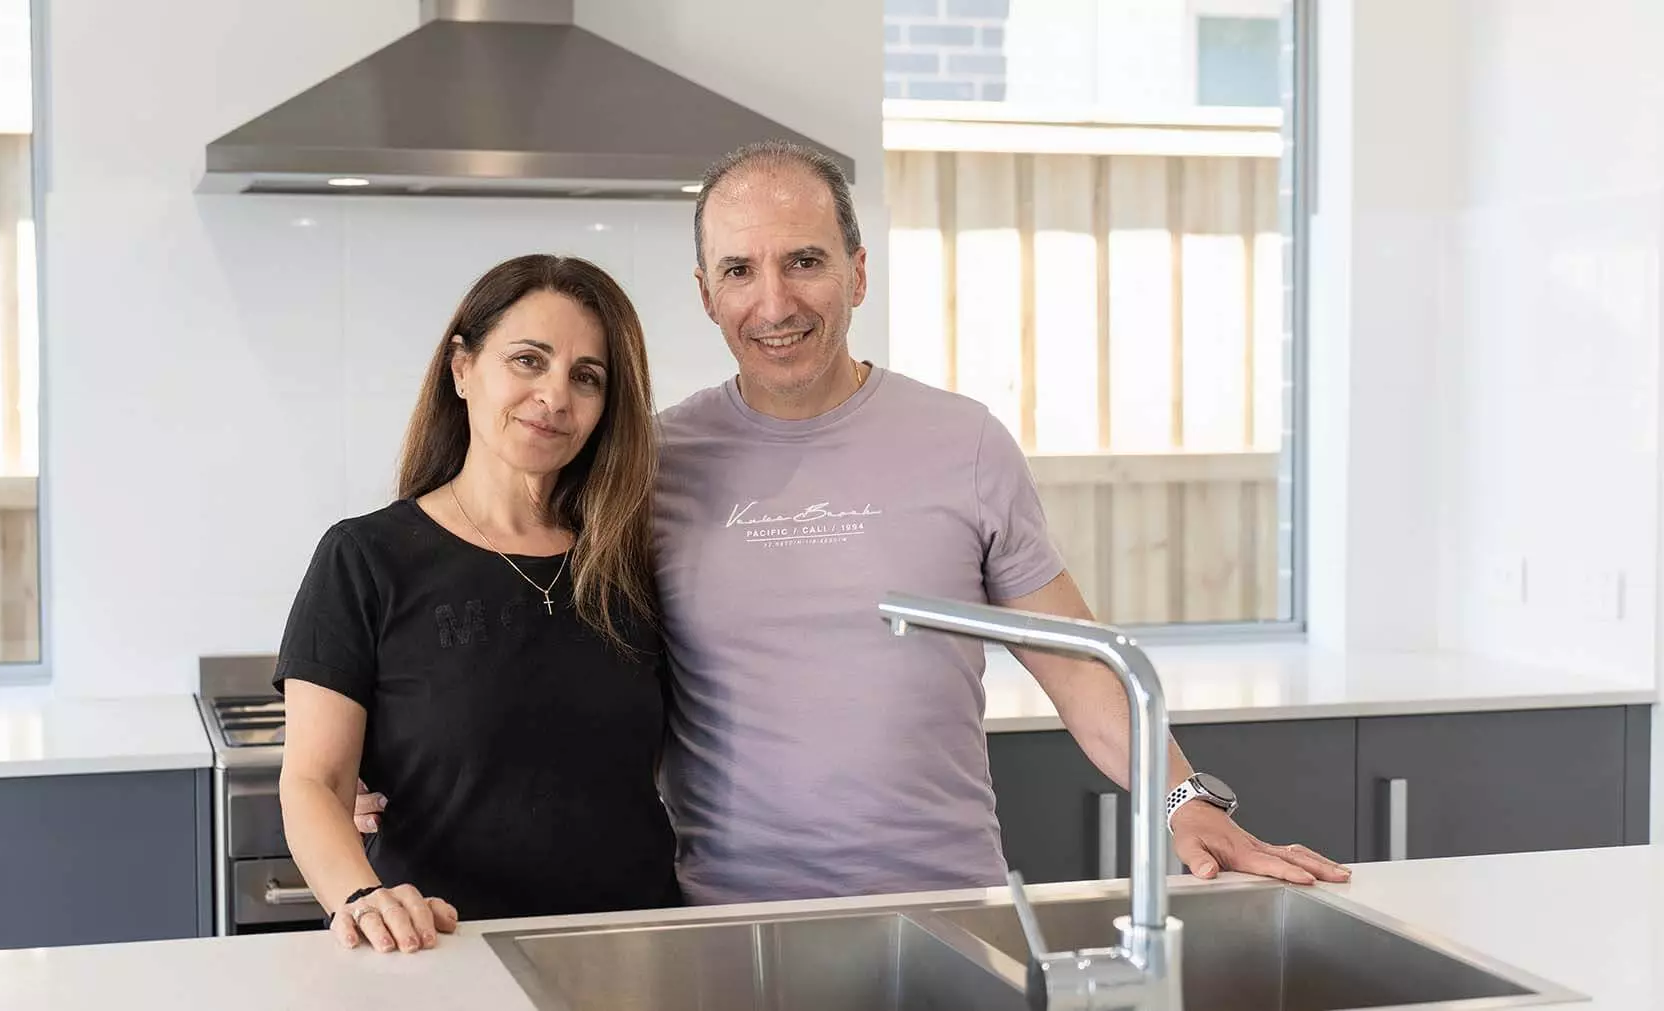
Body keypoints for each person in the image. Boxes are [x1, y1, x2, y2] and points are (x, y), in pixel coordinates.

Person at [354, 140, 1348, 912]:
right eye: (739, 270)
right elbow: (537, 654)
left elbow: (1083, 669)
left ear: (858, 273)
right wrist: (388, 752)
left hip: (948, 907)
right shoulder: (647, 466)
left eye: (805, 262)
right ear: (706, 295)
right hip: (722, 924)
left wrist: (1185, 802)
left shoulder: (964, 442)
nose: (774, 301)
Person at [275, 253, 680, 956]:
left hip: (630, 954)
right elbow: (315, 779)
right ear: (462, 367)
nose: (555, 396)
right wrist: (363, 896)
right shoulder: (364, 557)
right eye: (529, 360)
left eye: (587, 377)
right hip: (442, 956)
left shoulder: (631, 561)